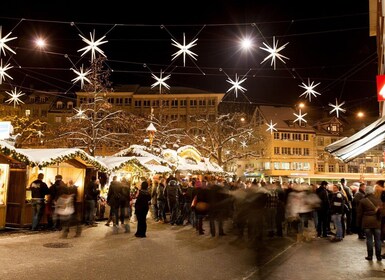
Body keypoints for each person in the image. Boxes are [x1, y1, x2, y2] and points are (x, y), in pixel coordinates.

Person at [357, 185, 383, 261]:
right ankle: (379, 256)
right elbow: (381, 212)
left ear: (366, 192)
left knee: (369, 239)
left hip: (367, 222)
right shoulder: (379, 200)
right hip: (377, 222)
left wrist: (358, 224)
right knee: (378, 240)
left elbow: (359, 214)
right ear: (373, 191)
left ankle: (370, 256)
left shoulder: (363, 201)